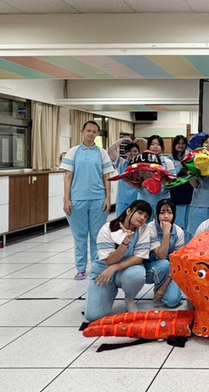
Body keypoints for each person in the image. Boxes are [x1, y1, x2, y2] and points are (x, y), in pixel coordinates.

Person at [61, 120, 115, 281]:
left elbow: (107, 177)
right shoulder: (73, 152)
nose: (91, 134)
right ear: (82, 132)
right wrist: (66, 199)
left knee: (97, 236)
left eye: (94, 131)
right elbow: (68, 177)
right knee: (80, 236)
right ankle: (81, 268)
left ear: (97, 134)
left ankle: (97, 266)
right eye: (88, 131)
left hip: (98, 199)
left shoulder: (102, 153)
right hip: (77, 200)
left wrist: (108, 198)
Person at [85, 200, 152, 322]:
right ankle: (100, 293)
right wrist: (125, 242)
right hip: (104, 271)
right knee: (94, 316)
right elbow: (109, 262)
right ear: (128, 211)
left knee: (137, 274)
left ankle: (129, 299)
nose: (142, 218)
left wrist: (115, 267)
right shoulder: (107, 229)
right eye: (140, 213)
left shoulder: (143, 229)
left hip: (126, 269)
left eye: (146, 216)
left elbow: (139, 258)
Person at [145, 199, 184, 308]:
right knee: (164, 264)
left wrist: (165, 285)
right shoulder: (150, 228)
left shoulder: (179, 232)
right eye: (162, 213)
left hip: (171, 271)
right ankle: (157, 288)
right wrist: (166, 233)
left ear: (174, 215)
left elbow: (177, 262)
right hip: (151, 268)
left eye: (170, 213)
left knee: (172, 301)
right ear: (157, 215)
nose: (166, 216)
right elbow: (161, 256)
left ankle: (162, 288)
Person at [133, 135, 175, 221]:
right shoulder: (141, 162)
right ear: (148, 147)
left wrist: (163, 181)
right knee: (142, 224)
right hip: (144, 199)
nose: (155, 147)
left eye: (158, 144)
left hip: (162, 200)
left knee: (162, 224)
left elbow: (173, 182)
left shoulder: (168, 162)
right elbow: (138, 184)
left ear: (162, 148)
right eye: (152, 144)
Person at [107, 137, 145, 217]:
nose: (132, 153)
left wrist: (142, 140)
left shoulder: (142, 165)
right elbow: (110, 150)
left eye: (135, 151)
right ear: (125, 153)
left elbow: (153, 151)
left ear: (139, 153)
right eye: (129, 151)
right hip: (122, 200)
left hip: (137, 199)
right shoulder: (121, 163)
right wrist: (122, 140)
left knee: (136, 222)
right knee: (121, 222)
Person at [168, 135, 191, 231]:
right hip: (175, 193)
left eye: (183, 143)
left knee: (188, 223)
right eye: (178, 143)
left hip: (188, 192)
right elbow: (171, 177)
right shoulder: (169, 160)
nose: (181, 146)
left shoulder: (191, 158)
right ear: (174, 145)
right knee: (176, 222)